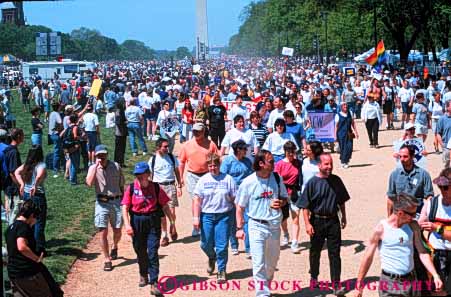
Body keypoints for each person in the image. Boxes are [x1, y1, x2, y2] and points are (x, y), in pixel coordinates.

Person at [355, 193, 443, 297]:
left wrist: (435, 275)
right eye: (412, 214)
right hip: (389, 283)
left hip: (411, 282)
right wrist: (359, 284)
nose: (415, 216)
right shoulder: (381, 229)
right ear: (400, 213)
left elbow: (422, 253)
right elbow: (368, 257)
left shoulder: (413, 226)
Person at [235, 150, 288, 297]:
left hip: (274, 226)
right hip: (256, 225)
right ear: (261, 163)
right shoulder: (248, 182)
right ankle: (262, 294)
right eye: (271, 161)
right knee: (258, 262)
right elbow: (240, 206)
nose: (274, 164)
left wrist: (281, 202)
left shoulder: (277, 178)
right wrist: (239, 228)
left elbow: (285, 198)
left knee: (272, 262)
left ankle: (266, 283)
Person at [296, 153, 349, 296]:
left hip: (333, 221)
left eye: (331, 163)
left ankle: (336, 284)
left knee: (335, 253)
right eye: (326, 164)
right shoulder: (312, 183)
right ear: (319, 165)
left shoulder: (336, 180)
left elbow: (342, 200)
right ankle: (314, 277)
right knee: (315, 251)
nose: (329, 166)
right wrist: (307, 224)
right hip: (317, 221)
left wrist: (343, 216)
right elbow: (304, 206)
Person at [121, 162, 175, 295]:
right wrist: (127, 225)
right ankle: (143, 274)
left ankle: (154, 282)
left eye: (141, 174)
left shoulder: (156, 188)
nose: (139, 176)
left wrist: (172, 222)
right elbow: (125, 207)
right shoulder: (132, 188)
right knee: (140, 250)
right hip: (137, 221)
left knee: (152, 251)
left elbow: (165, 206)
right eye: (137, 174)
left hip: (152, 220)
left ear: (148, 174)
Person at [193, 153, 237, 283]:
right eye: (210, 166)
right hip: (207, 215)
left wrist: (239, 216)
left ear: (219, 165)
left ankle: (221, 270)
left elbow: (235, 198)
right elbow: (197, 200)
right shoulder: (203, 180)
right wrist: (195, 217)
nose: (213, 168)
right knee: (205, 244)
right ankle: (212, 257)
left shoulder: (228, 179)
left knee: (222, 245)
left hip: (224, 215)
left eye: (215, 165)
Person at [6, 200, 64, 297]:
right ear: (32, 215)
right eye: (36, 218)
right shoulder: (23, 227)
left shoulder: (10, 228)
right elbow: (21, 247)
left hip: (14, 274)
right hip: (28, 274)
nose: (36, 221)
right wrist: (36, 258)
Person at [86, 145, 125, 272]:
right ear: (95, 156)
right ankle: (107, 259)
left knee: (117, 230)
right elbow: (89, 183)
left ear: (107, 155)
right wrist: (95, 167)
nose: (101, 158)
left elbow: (122, 185)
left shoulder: (116, 166)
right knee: (102, 231)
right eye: (98, 156)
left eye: (103, 155)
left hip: (116, 201)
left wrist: (124, 203)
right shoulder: (93, 168)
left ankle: (115, 246)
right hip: (101, 203)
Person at [178, 122, 219, 237]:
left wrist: (217, 173)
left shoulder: (211, 144)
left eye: (198, 131)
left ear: (203, 132)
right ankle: (197, 226)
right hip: (192, 175)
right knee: (196, 200)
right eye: (194, 131)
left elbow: (217, 159)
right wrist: (180, 177)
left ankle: (207, 224)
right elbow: (181, 162)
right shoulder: (187, 145)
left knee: (207, 200)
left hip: (207, 175)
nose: (196, 133)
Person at [418, 168, 451, 295]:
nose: (442, 190)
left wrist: (437, 228)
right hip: (436, 254)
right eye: (440, 186)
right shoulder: (432, 203)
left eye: (446, 187)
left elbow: (435, 228)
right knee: (437, 291)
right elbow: (420, 223)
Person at [220, 139, 253, 257]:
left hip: (246, 195)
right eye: (244, 149)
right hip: (232, 195)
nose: (246, 151)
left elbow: (252, 177)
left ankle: (248, 247)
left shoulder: (248, 162)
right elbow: (223, 178)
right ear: (238, 150)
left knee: (247, 221)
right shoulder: (228, 162)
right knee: (233, 221)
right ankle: (234, 245)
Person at [14, 145, 48, 255]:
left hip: (26, 196)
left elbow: (16, 172)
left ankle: (30, 245)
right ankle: (39, 248)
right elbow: (40, 174)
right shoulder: (41, 164)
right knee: (39, 222)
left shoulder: (27, 165)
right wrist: (35, 184)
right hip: (37, 195)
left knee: (28, 221)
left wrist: (22, 184)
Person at [148, 138, 182, 247]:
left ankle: (172, 225)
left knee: (172, 211)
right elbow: (150, 175)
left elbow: (176, 170)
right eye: (165, 147)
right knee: (162, 214)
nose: (167, 148)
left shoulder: (171, 157)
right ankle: (165, 235)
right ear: (158, 148)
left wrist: (179, 184)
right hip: (158, 187)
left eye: (168, 146)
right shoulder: (153, 160)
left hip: (170, 185)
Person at [386, 144, 434, 216]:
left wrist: (424, 216)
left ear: (412, 157)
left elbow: (429, 198)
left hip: (417, 214)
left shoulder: (423, 174)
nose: (402, 159)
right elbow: (390, 198)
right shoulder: (394, 175)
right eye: (400, 156)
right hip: (399, 214)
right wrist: (389, 219)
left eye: (405, 156)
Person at [274, 141, 303, 253]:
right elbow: (276, 180)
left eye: (292, 152)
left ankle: (295, 242)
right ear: (285, 152)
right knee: (283, 218)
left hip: (295, 193)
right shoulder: (280, 164)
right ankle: (285, 233)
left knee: (295, 218)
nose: (291, 154)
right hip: (283, 194)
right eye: (288, 152)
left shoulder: (299, 163)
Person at [4, 128, 24, 225]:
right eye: (22, 134)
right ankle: (11, 235)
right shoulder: (13, 152)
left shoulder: (8, 149)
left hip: (8, 186)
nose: (24, 136)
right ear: (18, 136)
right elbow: (13, 172)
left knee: (10, 211)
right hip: (13, 187)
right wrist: (20, 185)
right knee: (14, 213)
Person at [335, 102, 358, 168]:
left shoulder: (350, 113)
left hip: (349, 133)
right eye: (344, 105)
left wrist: (356, 132)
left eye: (346, 105)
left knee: (350, 147)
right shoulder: (338, 115)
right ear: (341, 107)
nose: (345, 106)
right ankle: (343, 161)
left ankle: (346, 160)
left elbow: (353, 123)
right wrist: (335, 136)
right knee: (343, 148)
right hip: (341, 134)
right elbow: (336, 126)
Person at [48, 102, 63, 178]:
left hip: (51, 134)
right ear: (58, 107)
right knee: (57, 152)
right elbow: (60, 122)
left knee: (57, 151)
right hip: (55, 134)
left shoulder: (51, 113)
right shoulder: (56, 114)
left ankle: (57, 167)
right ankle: (55, 169)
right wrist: (60, 129)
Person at [436, 100, 451, 168]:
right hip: (447, 146)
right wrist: (443, 145)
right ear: (447, 107)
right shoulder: (442, 119)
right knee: (447, 166)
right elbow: (438, 133)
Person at [113, 99, 127, 168]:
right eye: (124, 102)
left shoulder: (119, 111)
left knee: (121, 148)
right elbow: (118, 122)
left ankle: (120, 162)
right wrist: (125, 122)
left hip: (121, 133)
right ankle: (118, 162)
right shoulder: (119, 111)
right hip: (120, 133)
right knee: (120, 149)